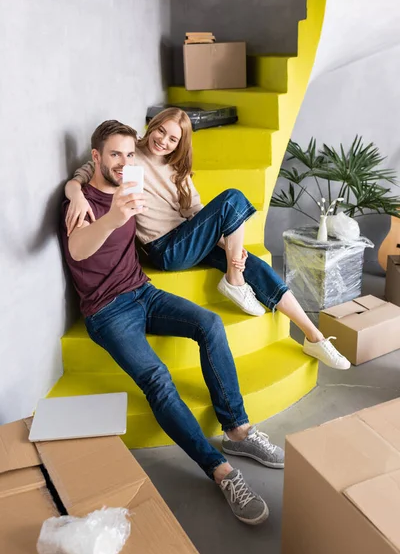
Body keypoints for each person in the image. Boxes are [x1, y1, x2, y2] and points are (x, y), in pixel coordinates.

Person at [61, 120, 286, 526]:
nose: (124, 162)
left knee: (211, 324)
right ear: (95, 156)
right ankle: (221, 472)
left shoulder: (130, 187)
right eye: (115, 154)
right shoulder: (81, 203)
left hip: (142, 291)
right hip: (106, 311)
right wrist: (102, 209)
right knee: (158, 380)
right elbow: (78, 249)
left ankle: (237, 430)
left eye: (130, 155)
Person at [64, 108, 351, 371]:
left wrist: (226, 245)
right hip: (164, 249)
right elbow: (87, 170)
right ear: (151, 127)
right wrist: (75, 192)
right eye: (160, 131)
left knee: (249, 261)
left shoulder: (178, 171)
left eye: (173, 139)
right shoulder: (129, 157)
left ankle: (314, 336)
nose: (163, 141)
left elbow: (197, 213)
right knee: (233, 198)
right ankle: (235, 280)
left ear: (180, 144)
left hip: (186, 238)